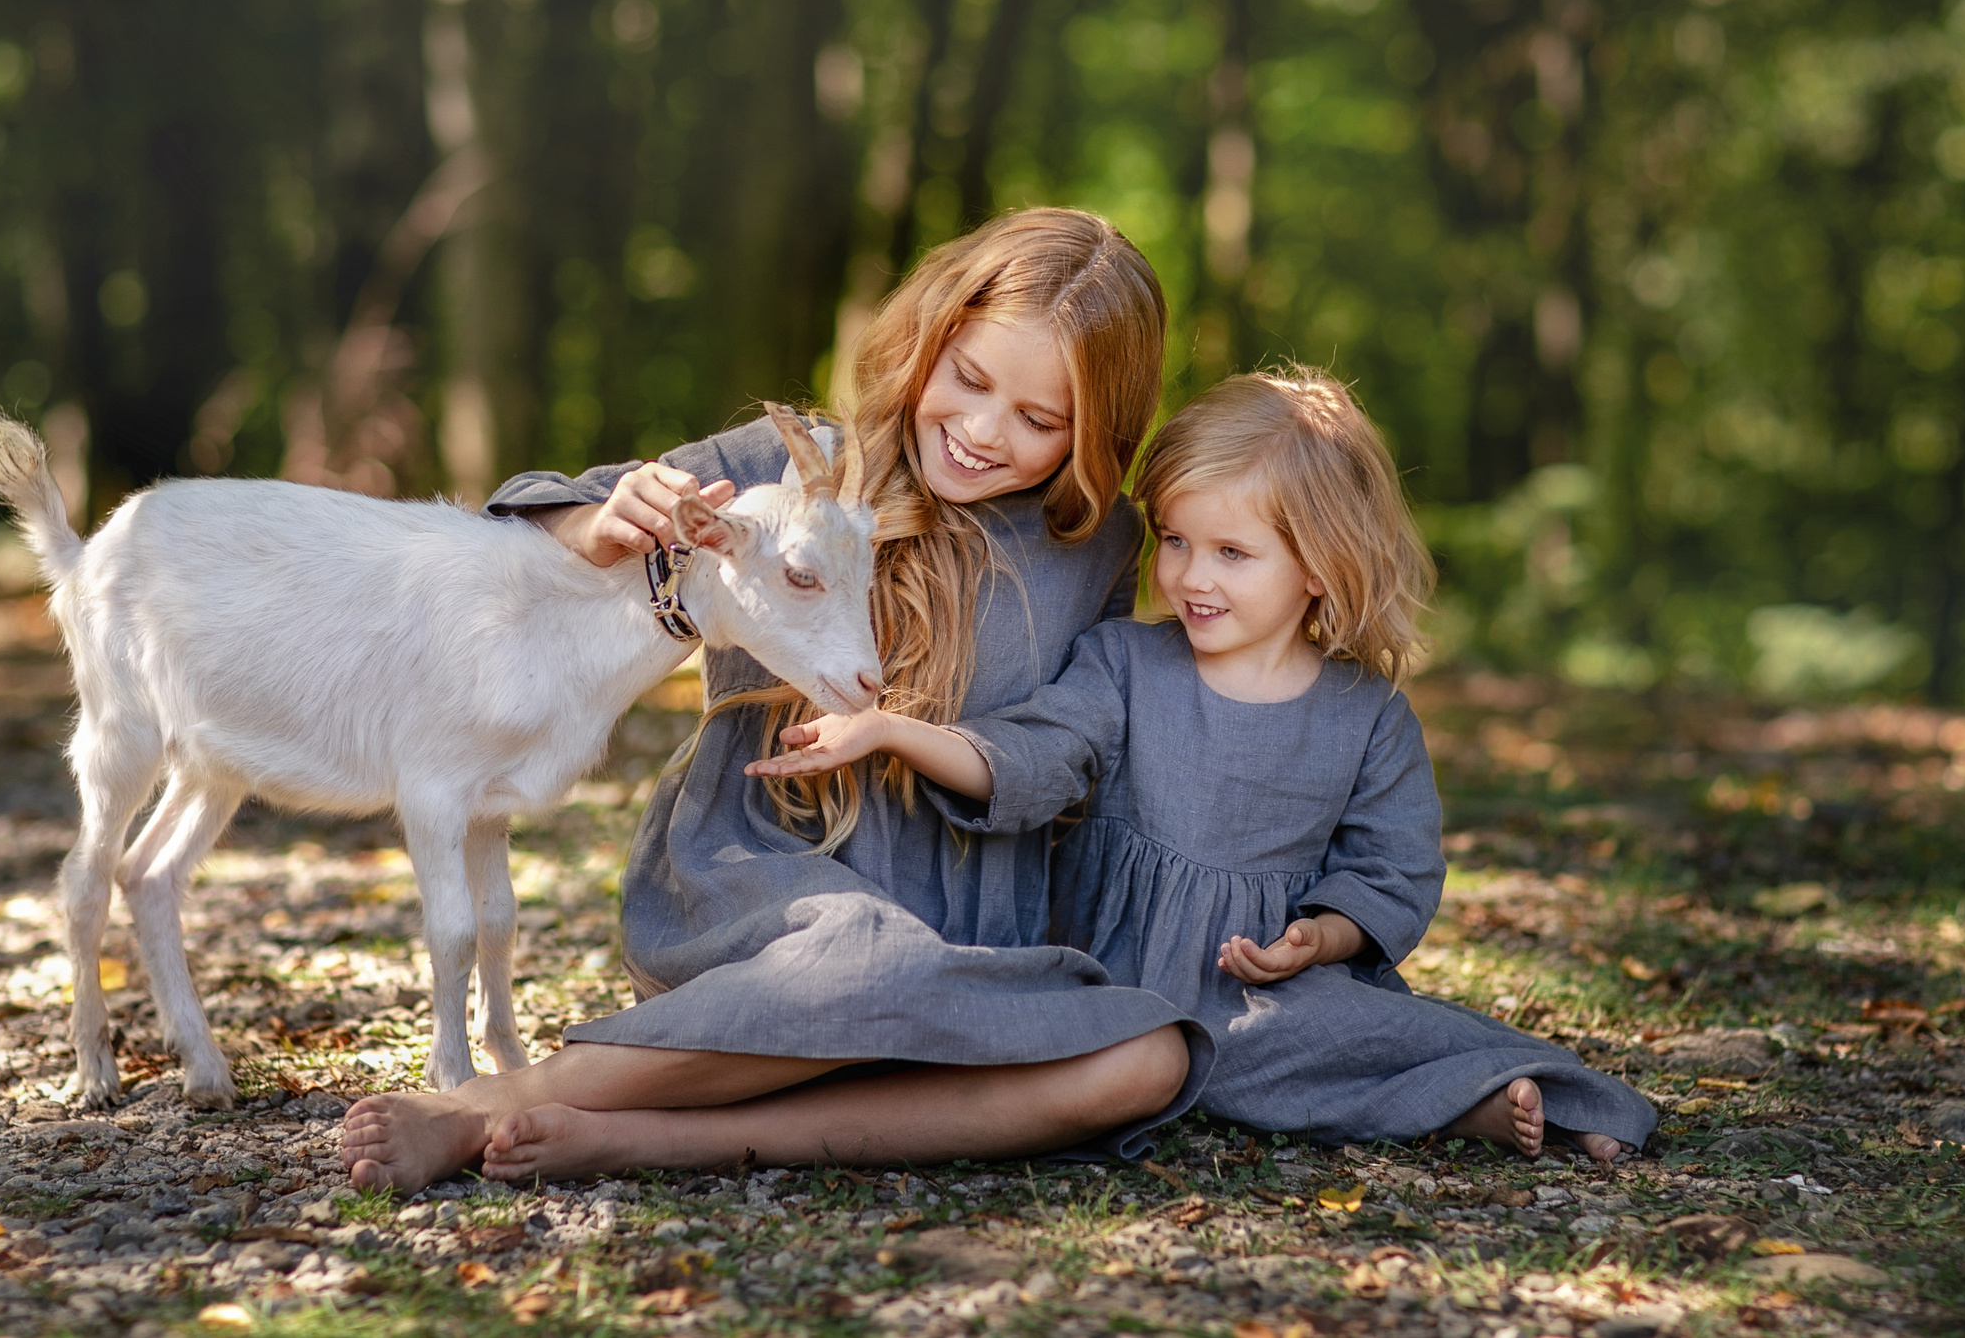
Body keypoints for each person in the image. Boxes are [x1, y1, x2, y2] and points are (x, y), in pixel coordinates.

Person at [342, 208, 1204, 1190]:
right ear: (930, 340)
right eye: (968, 379)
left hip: (965, 925)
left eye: (1038, 420)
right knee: (861, 962)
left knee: (1150, 1059)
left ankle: (653, 1139)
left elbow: (1065, 751)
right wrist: (600, 522)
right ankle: (481, 1106)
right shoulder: (792, 463)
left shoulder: (1095, 545)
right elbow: (525, 512)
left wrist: (899, 734)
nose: (980, 431)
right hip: (766, 892)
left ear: (1094, 431)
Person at [751, 367, 1657, 1160]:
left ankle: (1503, 1100)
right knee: (1044, 1024)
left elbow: (1393, 868)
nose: (1192, 576)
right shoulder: (1125, 662)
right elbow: (1035, 754)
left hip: (1263, 995)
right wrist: (889, 731)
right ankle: (1442, 1105)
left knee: (1368, 1032)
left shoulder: (1367, 714)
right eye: (1177, 541)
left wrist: (1320, 939)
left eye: (1232, 553)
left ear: (1319, 566)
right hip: (1105, 979)